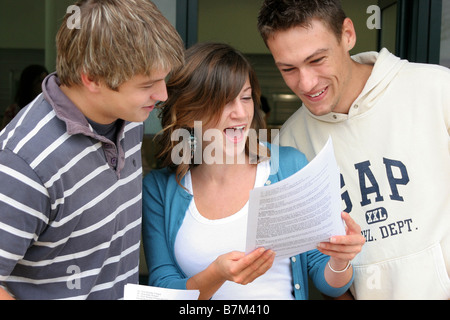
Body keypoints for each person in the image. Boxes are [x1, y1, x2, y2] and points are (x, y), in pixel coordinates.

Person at [257, 0, 450, 299]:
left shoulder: (438, 89)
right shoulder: (290, 144)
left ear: (347, 34)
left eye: (318, 59)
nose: (306, 83)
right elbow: (315, 260)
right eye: (288, 68)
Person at [142, 42, 365, 300]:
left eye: (246, 98)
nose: (240, 113)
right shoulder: (160, 188)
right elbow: (162, 286)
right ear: (189, 112)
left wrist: (340, 260)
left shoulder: (288, 166)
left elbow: (327, 280)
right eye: (224, 101)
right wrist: (216, 274)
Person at [0, 0, 184, 300]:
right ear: (92, 78)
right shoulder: (23, 163)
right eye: (147, 84)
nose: (162, 95)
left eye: (164, 79)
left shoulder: (130, 118)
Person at [1, 65, 49, 130]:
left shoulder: (50, 108)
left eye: (46, 80)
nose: (44, 84)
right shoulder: (13, 111)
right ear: (30, 83)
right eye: (40, 81)